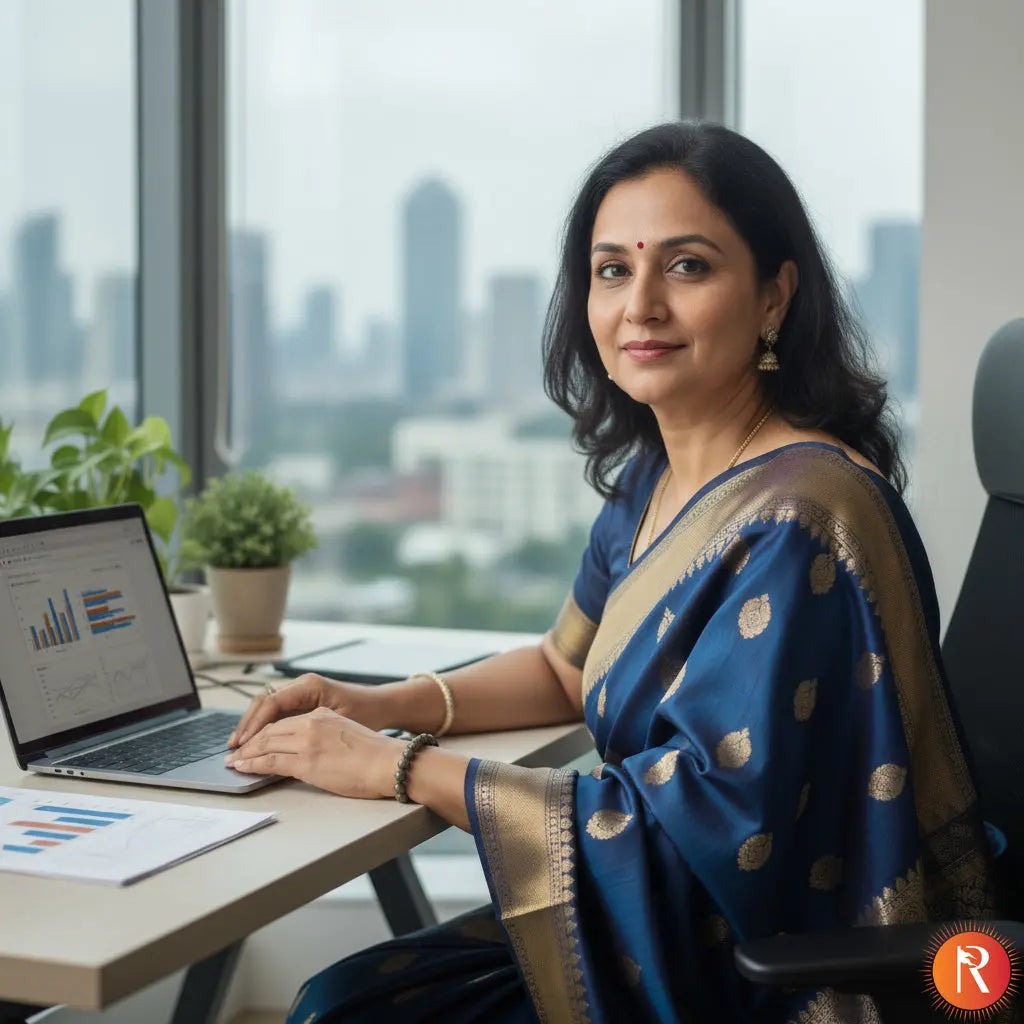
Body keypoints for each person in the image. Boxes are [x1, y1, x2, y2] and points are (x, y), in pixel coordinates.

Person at [225, 121, 995, 1023]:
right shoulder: (655, 478)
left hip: (764, 964)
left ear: (775, 296)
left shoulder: (802, 519)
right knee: (348, 997)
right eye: (613, 270)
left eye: (688, 266)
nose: (641, 307)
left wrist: (398, 770)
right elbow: (564, 667)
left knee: (354, 1012)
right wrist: (378, 706)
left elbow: (707, 834)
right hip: (669, 921)